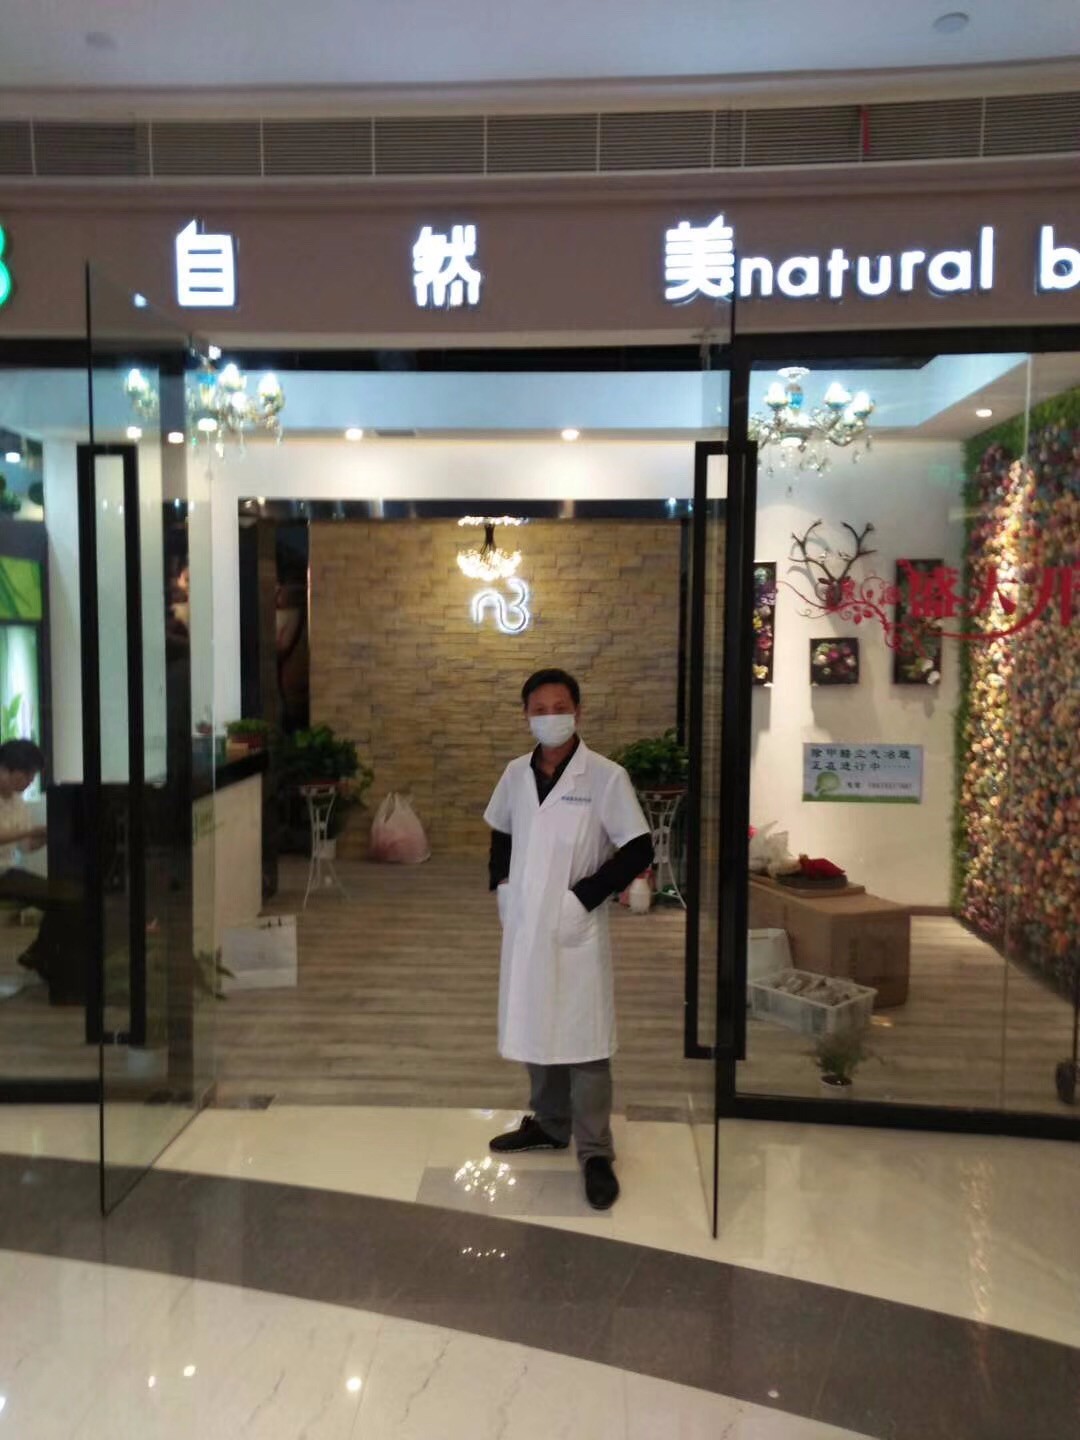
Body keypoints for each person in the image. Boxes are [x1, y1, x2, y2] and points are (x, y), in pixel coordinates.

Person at [484, 669, 654, 1210]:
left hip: (573, 922)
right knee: (536, 1023)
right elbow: (502, 831)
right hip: (526, 922)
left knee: (584, 1038)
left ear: (578, 712)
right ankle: (550, 1124)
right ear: (525, 715)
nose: (550, 716)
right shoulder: (516, 773)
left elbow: (638, 848)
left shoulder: (604, 776)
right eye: (539, 708)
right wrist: (502, 885)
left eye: (560, 707)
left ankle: (596, 1151)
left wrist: (584, 897)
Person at [0, 740, 81, 1004]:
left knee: (69, 897)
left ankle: (39, 955)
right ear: (6, 770)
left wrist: (48, 836)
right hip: (3, 874)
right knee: (65, 897)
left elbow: (24, 846)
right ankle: (39, 957)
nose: (29, 782)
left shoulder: (17, 802)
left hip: (10, 871)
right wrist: (29, 831)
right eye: (27, 775)